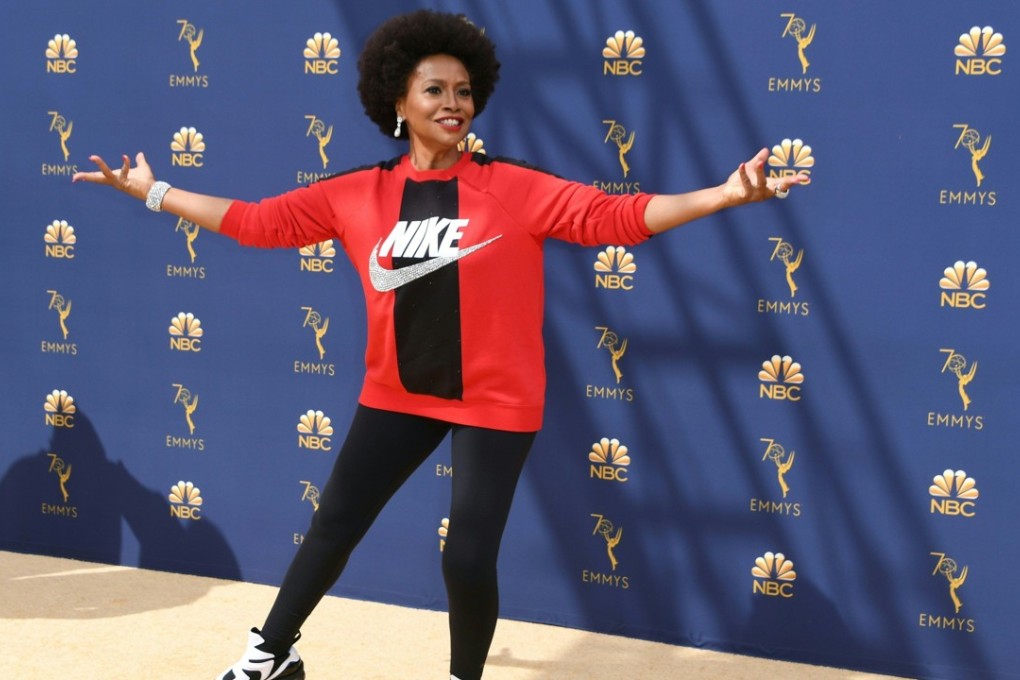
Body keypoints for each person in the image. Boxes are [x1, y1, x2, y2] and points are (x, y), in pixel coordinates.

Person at [73, 10, 807, 680]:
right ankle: (271, 653)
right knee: (333, 525)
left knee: (467, 555)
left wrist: (725, 194)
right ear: (397, 101)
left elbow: (616, 217)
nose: (453, 103)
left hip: (496, 399)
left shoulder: (512, 186)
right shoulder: (357, 192)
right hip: (397, 392)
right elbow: (258, 223)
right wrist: (153, 192)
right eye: (434, 90)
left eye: (463, 90)